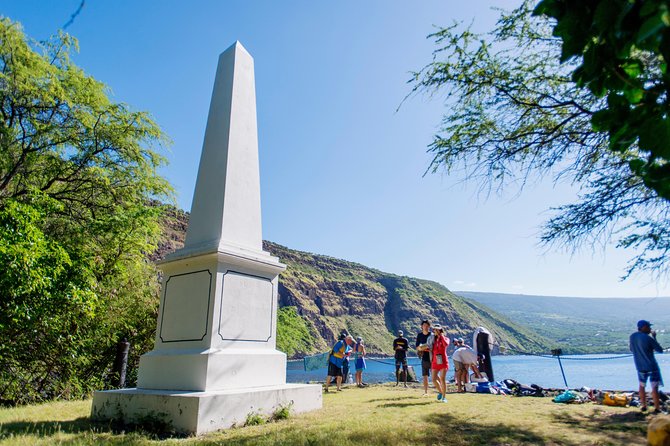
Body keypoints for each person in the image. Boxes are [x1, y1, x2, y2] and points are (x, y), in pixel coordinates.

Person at [630, 320, 664, 413]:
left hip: (640, 367)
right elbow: (660, 350)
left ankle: (644, 406)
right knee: (655, 387)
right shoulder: (648, 338)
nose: (650, 329)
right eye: (648, 327)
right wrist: (654, 337)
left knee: (641, 386)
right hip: (652, 367)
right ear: (643, 327)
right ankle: (657, 408)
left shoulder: (632, 336)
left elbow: (631, 349)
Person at [431, 324, 450, 402]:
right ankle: (440, 392)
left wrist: (441, 336)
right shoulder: (433, 340)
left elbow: (446, 344)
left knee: (442, 379)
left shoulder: (445, 338)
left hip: (443, 361)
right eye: (435, 330)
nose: (435, 331)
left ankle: (444, 397)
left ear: (440, 330)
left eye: (437, 330)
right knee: (433, 379)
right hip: (435, 361)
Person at [416, 320, 433, 396]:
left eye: (427, 326)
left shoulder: (432, 335)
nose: (425, 327)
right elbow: (417, 347)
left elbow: (433, 346)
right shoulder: (419, 335)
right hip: (424, 357)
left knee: (434, 375)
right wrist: (422, 348)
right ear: (422, 327)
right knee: (425, 375)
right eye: (424, 326)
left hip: (432, 357)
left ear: (429, 327)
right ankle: (426, 392)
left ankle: (440, 390)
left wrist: (425, 348)